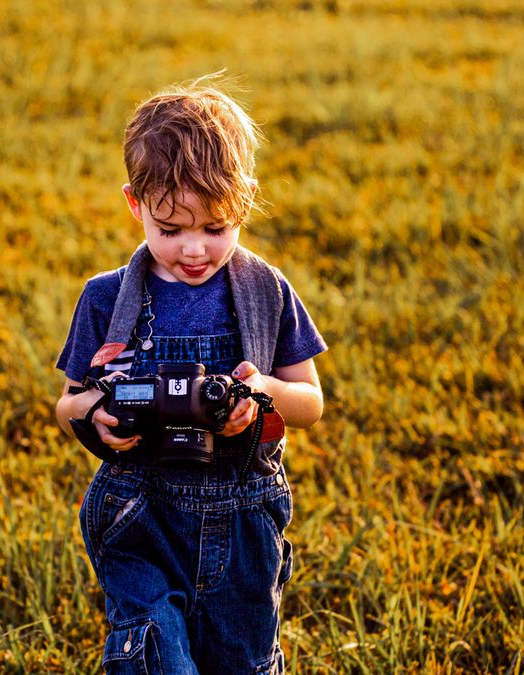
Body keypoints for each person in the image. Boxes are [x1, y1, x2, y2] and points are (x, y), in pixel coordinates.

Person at [55, 78, 327, 674]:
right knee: (155, 657)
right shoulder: (106, 301)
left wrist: (262, 393)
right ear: (135, 204)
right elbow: (67, 405)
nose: (194, 250)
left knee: (241, 662)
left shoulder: (265, 293)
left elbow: (309, 402)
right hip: (139, 515)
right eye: (170, 230)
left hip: (243, 519)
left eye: (216, 227)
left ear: (245, 200)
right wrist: (96, 416)